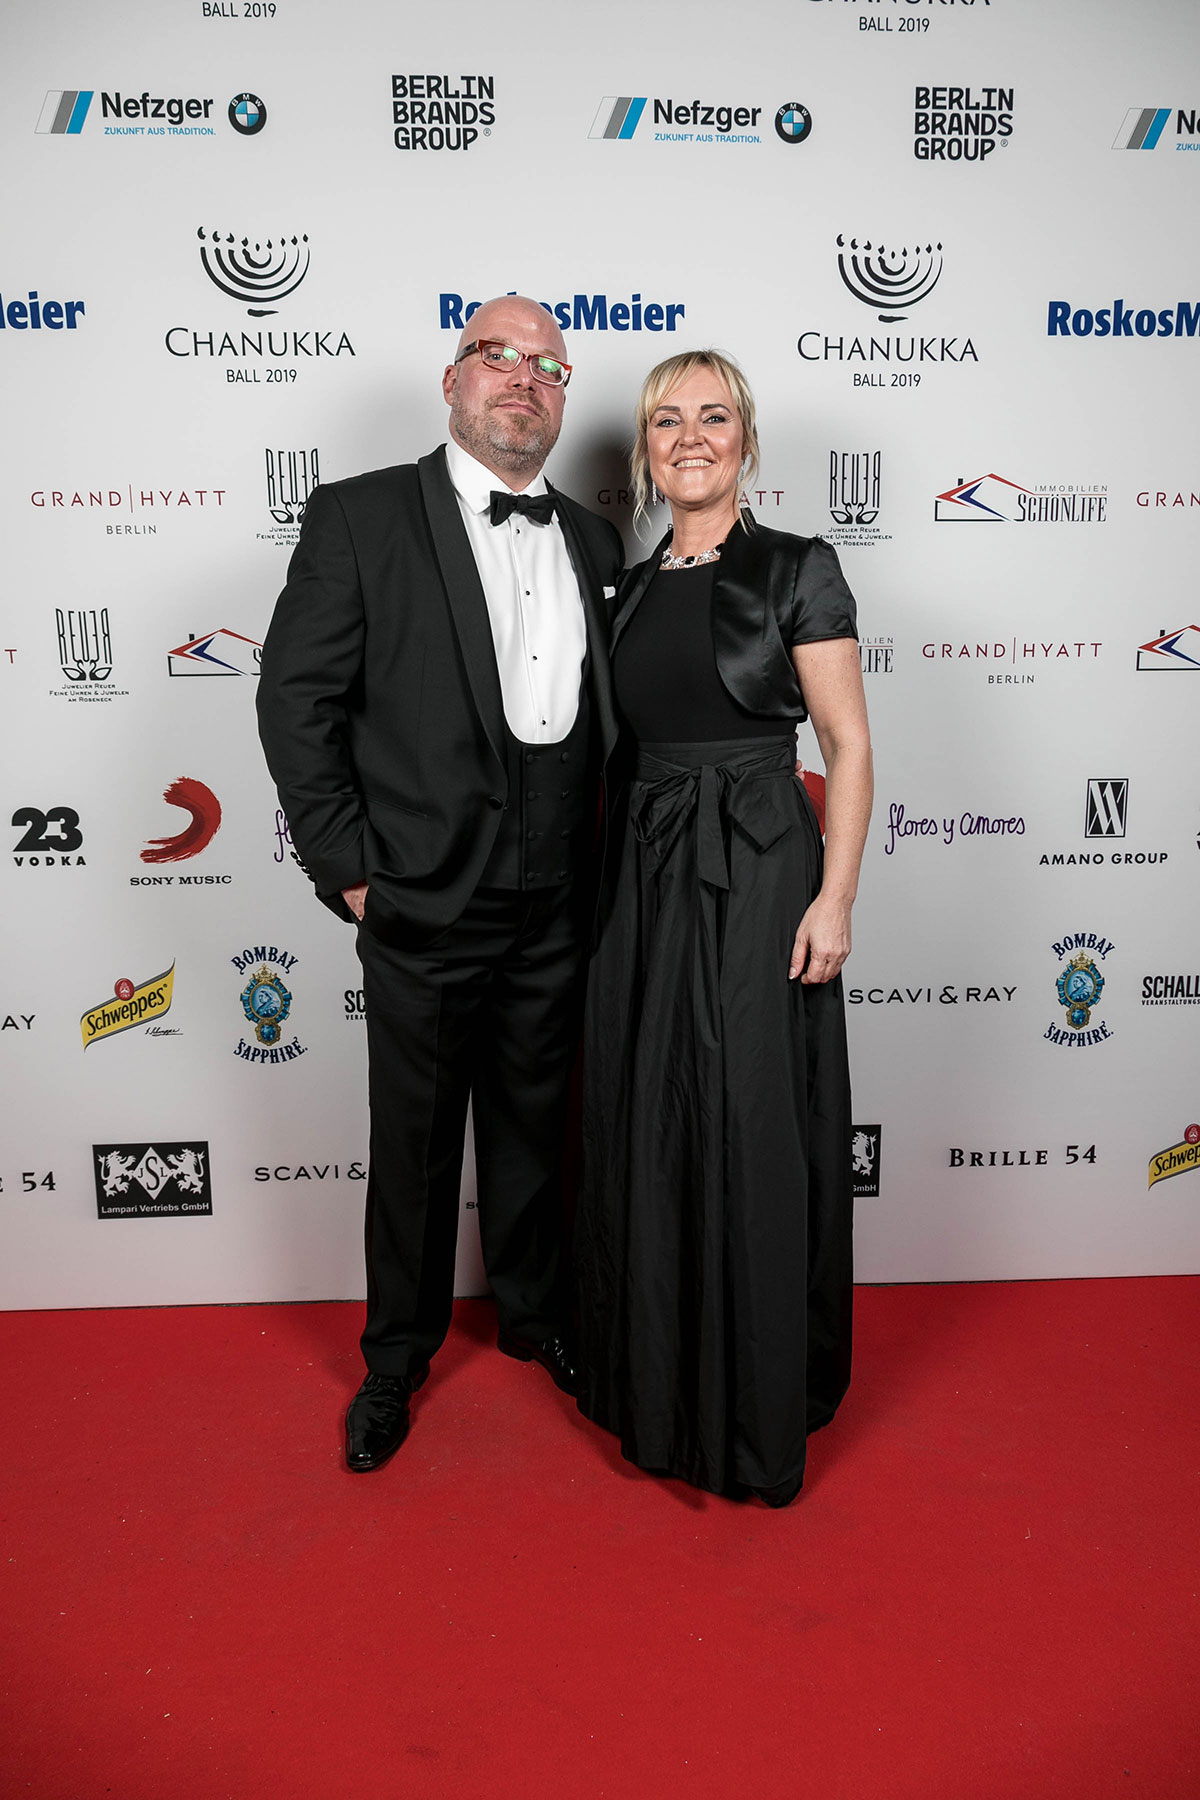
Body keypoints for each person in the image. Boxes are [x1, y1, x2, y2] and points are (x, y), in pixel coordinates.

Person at [257, 296, 623, 1472]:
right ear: (453, 380)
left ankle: (536, 1317)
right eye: (496, 355)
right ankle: (395, 1358)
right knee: (413, 1146)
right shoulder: (361, 515)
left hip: (558, 898)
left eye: (548, 366)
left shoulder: (596, 541)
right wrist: (350, 871)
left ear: (562, 398)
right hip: (420, 897)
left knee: (535, 1129)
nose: (524, 378)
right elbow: (294, 701)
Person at [575, 350, 873, 1507]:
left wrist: (834, 898)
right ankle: (658, 1386)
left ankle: (746, 1408)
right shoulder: (630, 586)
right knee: (649, 1113)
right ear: (644, 448)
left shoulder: (797, 567)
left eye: (712, 417)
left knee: (747, 1114)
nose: (689, 438)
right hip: (642, 874)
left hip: (756, 866)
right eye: (666, 421)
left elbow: (846, 745)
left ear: (746, 438)